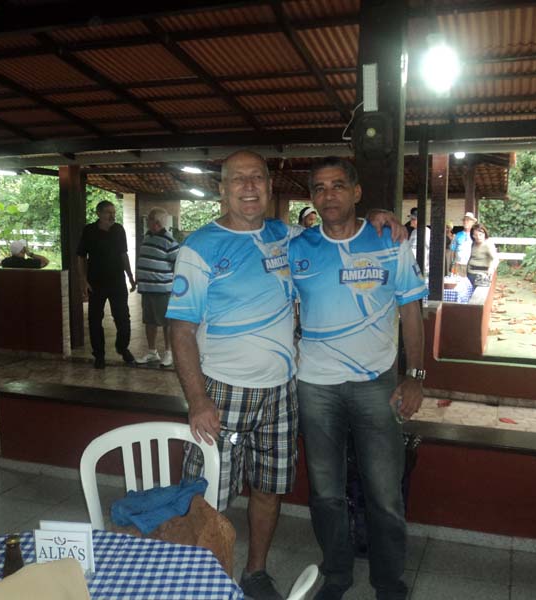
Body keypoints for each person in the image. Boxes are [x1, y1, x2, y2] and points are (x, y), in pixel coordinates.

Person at [166, 150, 405, 600]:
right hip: (223, 390)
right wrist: (197, 400)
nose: (249, 186)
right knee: (207, 494)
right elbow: (179, 329)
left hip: (281, 392)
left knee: (268, 489)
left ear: (269, 186)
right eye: (238, 179)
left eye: (257, 177)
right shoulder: (200, 247)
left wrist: (376, 215)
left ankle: (256, 573)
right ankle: (201, 578)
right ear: (222, 189)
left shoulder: (287, 236)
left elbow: (337, 225)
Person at [288, 157, 426, 600]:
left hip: (376, 385)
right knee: (325, 492)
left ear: (357, 192)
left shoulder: (388, 241)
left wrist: (415, 376)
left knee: (384, 492)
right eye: (319, 188)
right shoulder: (297, 247)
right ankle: (336, 575)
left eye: (338, 185)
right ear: (312, 198)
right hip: (315, 386)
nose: (328, 195)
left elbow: (411, 310)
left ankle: (389, 581)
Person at [77, 200, 136, 370]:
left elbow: (123, 254)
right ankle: (99, 355)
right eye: (108, 212)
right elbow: (81, 256)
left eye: (114, 212)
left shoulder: (118, 230)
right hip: (95, 283)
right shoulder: (89, 230)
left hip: (117, 281)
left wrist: (130, 276)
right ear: (99, 213)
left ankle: (122, 347)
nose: (112, 216)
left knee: (123, 317)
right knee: (95, 319)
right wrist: (83, 280)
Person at [134, 208, 179, 367]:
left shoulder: (170, 241)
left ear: (158, 222)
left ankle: (169, 353)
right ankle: (152, 352)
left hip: (162, 290)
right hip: (147, 289)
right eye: (149, 219)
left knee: (167, 322)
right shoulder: (147, 237)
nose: (148, 222)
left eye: (150, 219)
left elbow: (178, 265)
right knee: (149, 321)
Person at [467, 222, 500, 287]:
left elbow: (495, 259)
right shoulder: (473, 244)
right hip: (470, 273)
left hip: (482, 275)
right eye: (475, 235)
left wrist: (491, 268)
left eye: (480, 234)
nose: (478, 237)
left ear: (484, 234)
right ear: (472, 235)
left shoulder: (488, 244)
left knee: (479, 292)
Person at [449, 211, 477, 277]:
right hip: (458, 264)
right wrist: (452, 263)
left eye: (468, 220)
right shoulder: (458, 235)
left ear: (473, 222)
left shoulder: (475, 234)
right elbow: (453, 250)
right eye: (464, 220)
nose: (465, 222)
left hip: (471, 265)